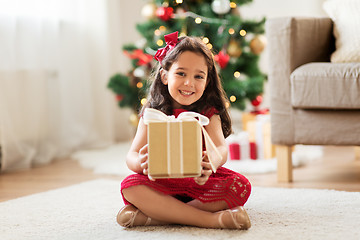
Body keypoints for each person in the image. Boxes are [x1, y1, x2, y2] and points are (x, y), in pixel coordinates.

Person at [117, 31, 251, 229]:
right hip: (162, 183)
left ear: (206, 83)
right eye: (181, 73)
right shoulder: (153, 113)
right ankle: (210, 220)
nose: (189, 83)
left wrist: (211, 162)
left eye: (199, 76)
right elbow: (132, 155)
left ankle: (156, 217)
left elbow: (222, 149)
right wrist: (140, 163)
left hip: (199, 183)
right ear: (164, 75)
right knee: (130, 186)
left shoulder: (208, 113)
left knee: (240, 186)